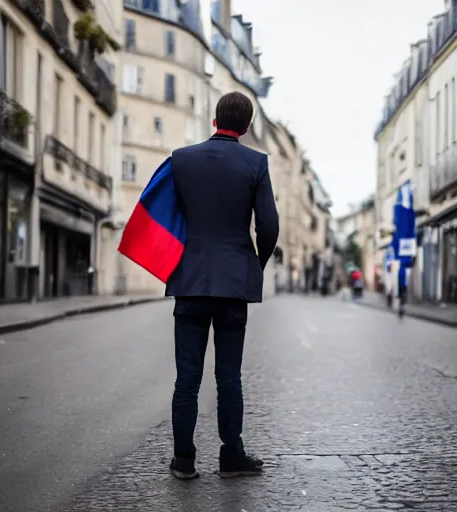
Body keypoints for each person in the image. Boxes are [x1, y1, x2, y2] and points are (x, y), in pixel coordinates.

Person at [165, 92, 279, 480]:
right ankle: (231, 456)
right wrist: (254, 263)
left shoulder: (181, 159)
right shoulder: (256, 162)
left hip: (190, 278)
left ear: (215, 120)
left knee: (187, 377)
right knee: (228, 376)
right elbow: (268, 225)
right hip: (233, 282)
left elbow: (165, 212)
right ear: (246, 126)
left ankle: (184, 459)